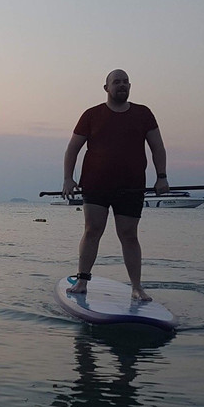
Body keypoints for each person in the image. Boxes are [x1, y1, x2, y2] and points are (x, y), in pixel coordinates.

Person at [61, 69, 169, 302]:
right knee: (92, 230)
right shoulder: (91, 115)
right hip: (95, 184)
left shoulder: (144, 114)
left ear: (130, 86)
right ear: (106, 88)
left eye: (125, 82)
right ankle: (82, 281)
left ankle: (137, 287)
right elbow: (73, 149)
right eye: (116, 82)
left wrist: (162, 176)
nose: (122, 85)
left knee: (129, 234)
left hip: (131, 187)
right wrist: (68, 179)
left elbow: (157, 148)